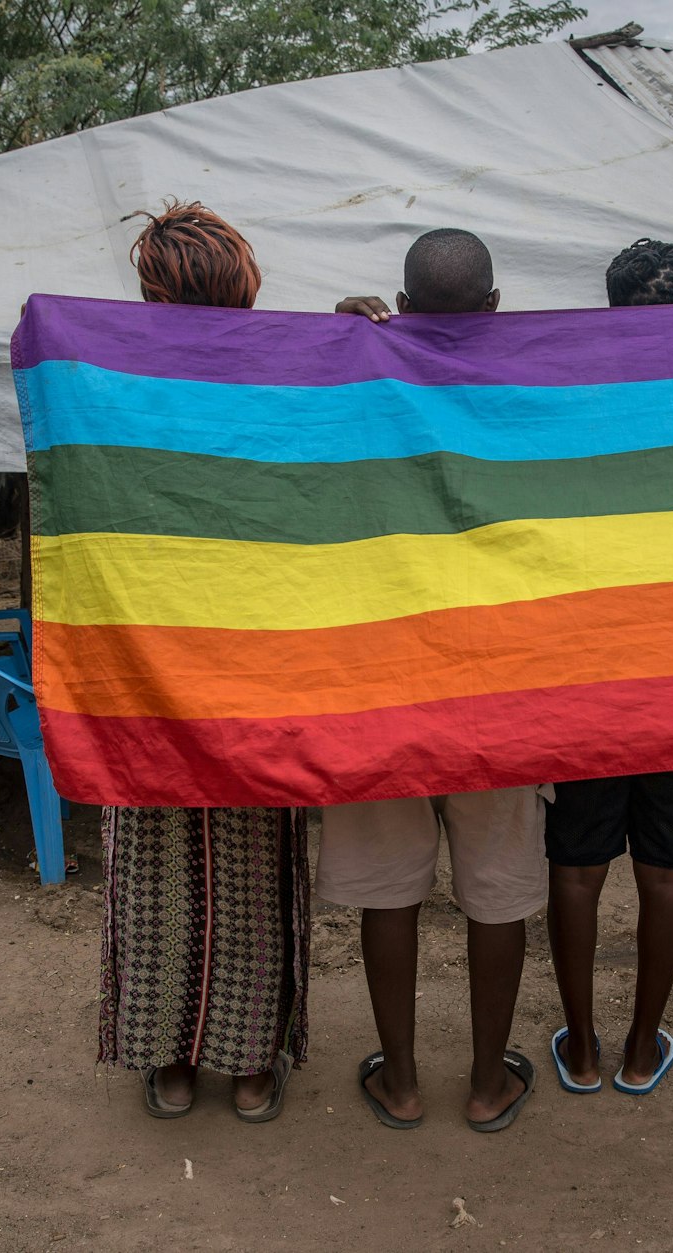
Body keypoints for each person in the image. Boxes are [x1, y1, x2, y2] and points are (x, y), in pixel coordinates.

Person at [322, 228, 544, 1134]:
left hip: (385, 682)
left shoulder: (364, 380)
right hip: (503, 684)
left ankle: (403, 1083)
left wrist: (335, 338)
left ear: (403, 306)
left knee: (388, 888)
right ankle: (488, 1084)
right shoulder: (529, 387)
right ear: (494, 307)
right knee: (498, 886)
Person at [95, 201, 307, 1123]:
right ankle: (249, 1059)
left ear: (149, 292)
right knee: (252, 865)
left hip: (152, 656)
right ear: (247, 290)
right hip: (247, 656)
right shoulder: (274, 376)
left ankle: (171, 1057)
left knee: (156, 865)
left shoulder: (114, 378)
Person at [544, 239, 673, 1098]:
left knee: (578, 865)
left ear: (611, 305)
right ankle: (642, 1047)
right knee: (667, 869)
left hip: (588, 671)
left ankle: (581, 1048)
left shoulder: (574, 398)